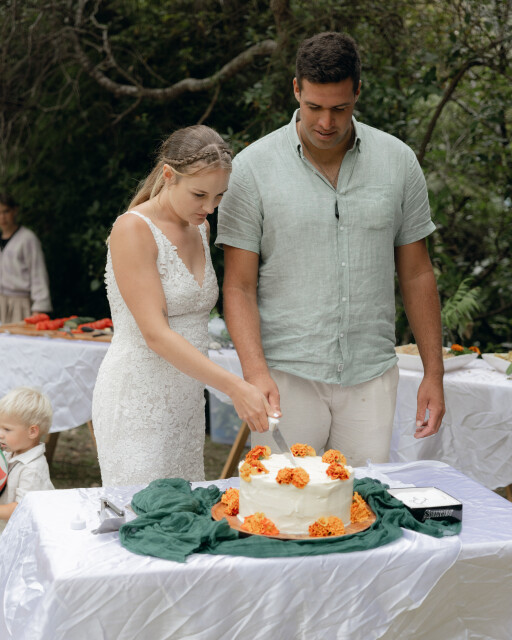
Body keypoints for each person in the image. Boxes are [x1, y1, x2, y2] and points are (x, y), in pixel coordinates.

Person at [216, 32, 445, 467]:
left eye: (339, 108)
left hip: (370, 377)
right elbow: (239, 286)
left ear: (357, 91)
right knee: (282, 500)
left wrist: (434, 374)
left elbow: (417, 273)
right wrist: (255, 372)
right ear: (296, 89)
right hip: (284, 374)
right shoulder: (251, 169)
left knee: (362, 500)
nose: (325, 122)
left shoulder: (398, 162)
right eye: (314, 107)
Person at [92, 125, 274, 486]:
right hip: (138, 401)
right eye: (199, 194)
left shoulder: (199, 228)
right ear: (168, 176)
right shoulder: (133, 229)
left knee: (183, 507)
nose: (210, 208)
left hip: (186, 400)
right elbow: (156, 334)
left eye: (219, 196)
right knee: (144, 509)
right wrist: (235, 387)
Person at [0, 387, 54, 534]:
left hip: (23, 535)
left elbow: (21, 508)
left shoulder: (33, 468)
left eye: (7, 429)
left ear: (32, 431)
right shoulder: (9, 453)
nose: (0, 434)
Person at [0, 193, 52, 324]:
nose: (2, 217)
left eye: (6, 211)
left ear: (14, 211)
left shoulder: (27, 239)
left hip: (21, 305)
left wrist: (39, 308)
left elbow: (38, 274)